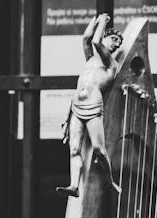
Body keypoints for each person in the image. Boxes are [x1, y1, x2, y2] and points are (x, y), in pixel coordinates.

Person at [57, 13, 123, 197]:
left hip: (93, 106)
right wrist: (96, 19)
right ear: (106, 37)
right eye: (114, 39)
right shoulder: (91, 60)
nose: (116, 44)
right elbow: (87, 38)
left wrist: (103, 22)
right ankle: (74, 185)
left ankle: (110, 181)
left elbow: (95, 42)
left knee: (99, 149)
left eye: (118, 43)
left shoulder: (111, 64)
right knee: (75, 149)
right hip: (77, 105)